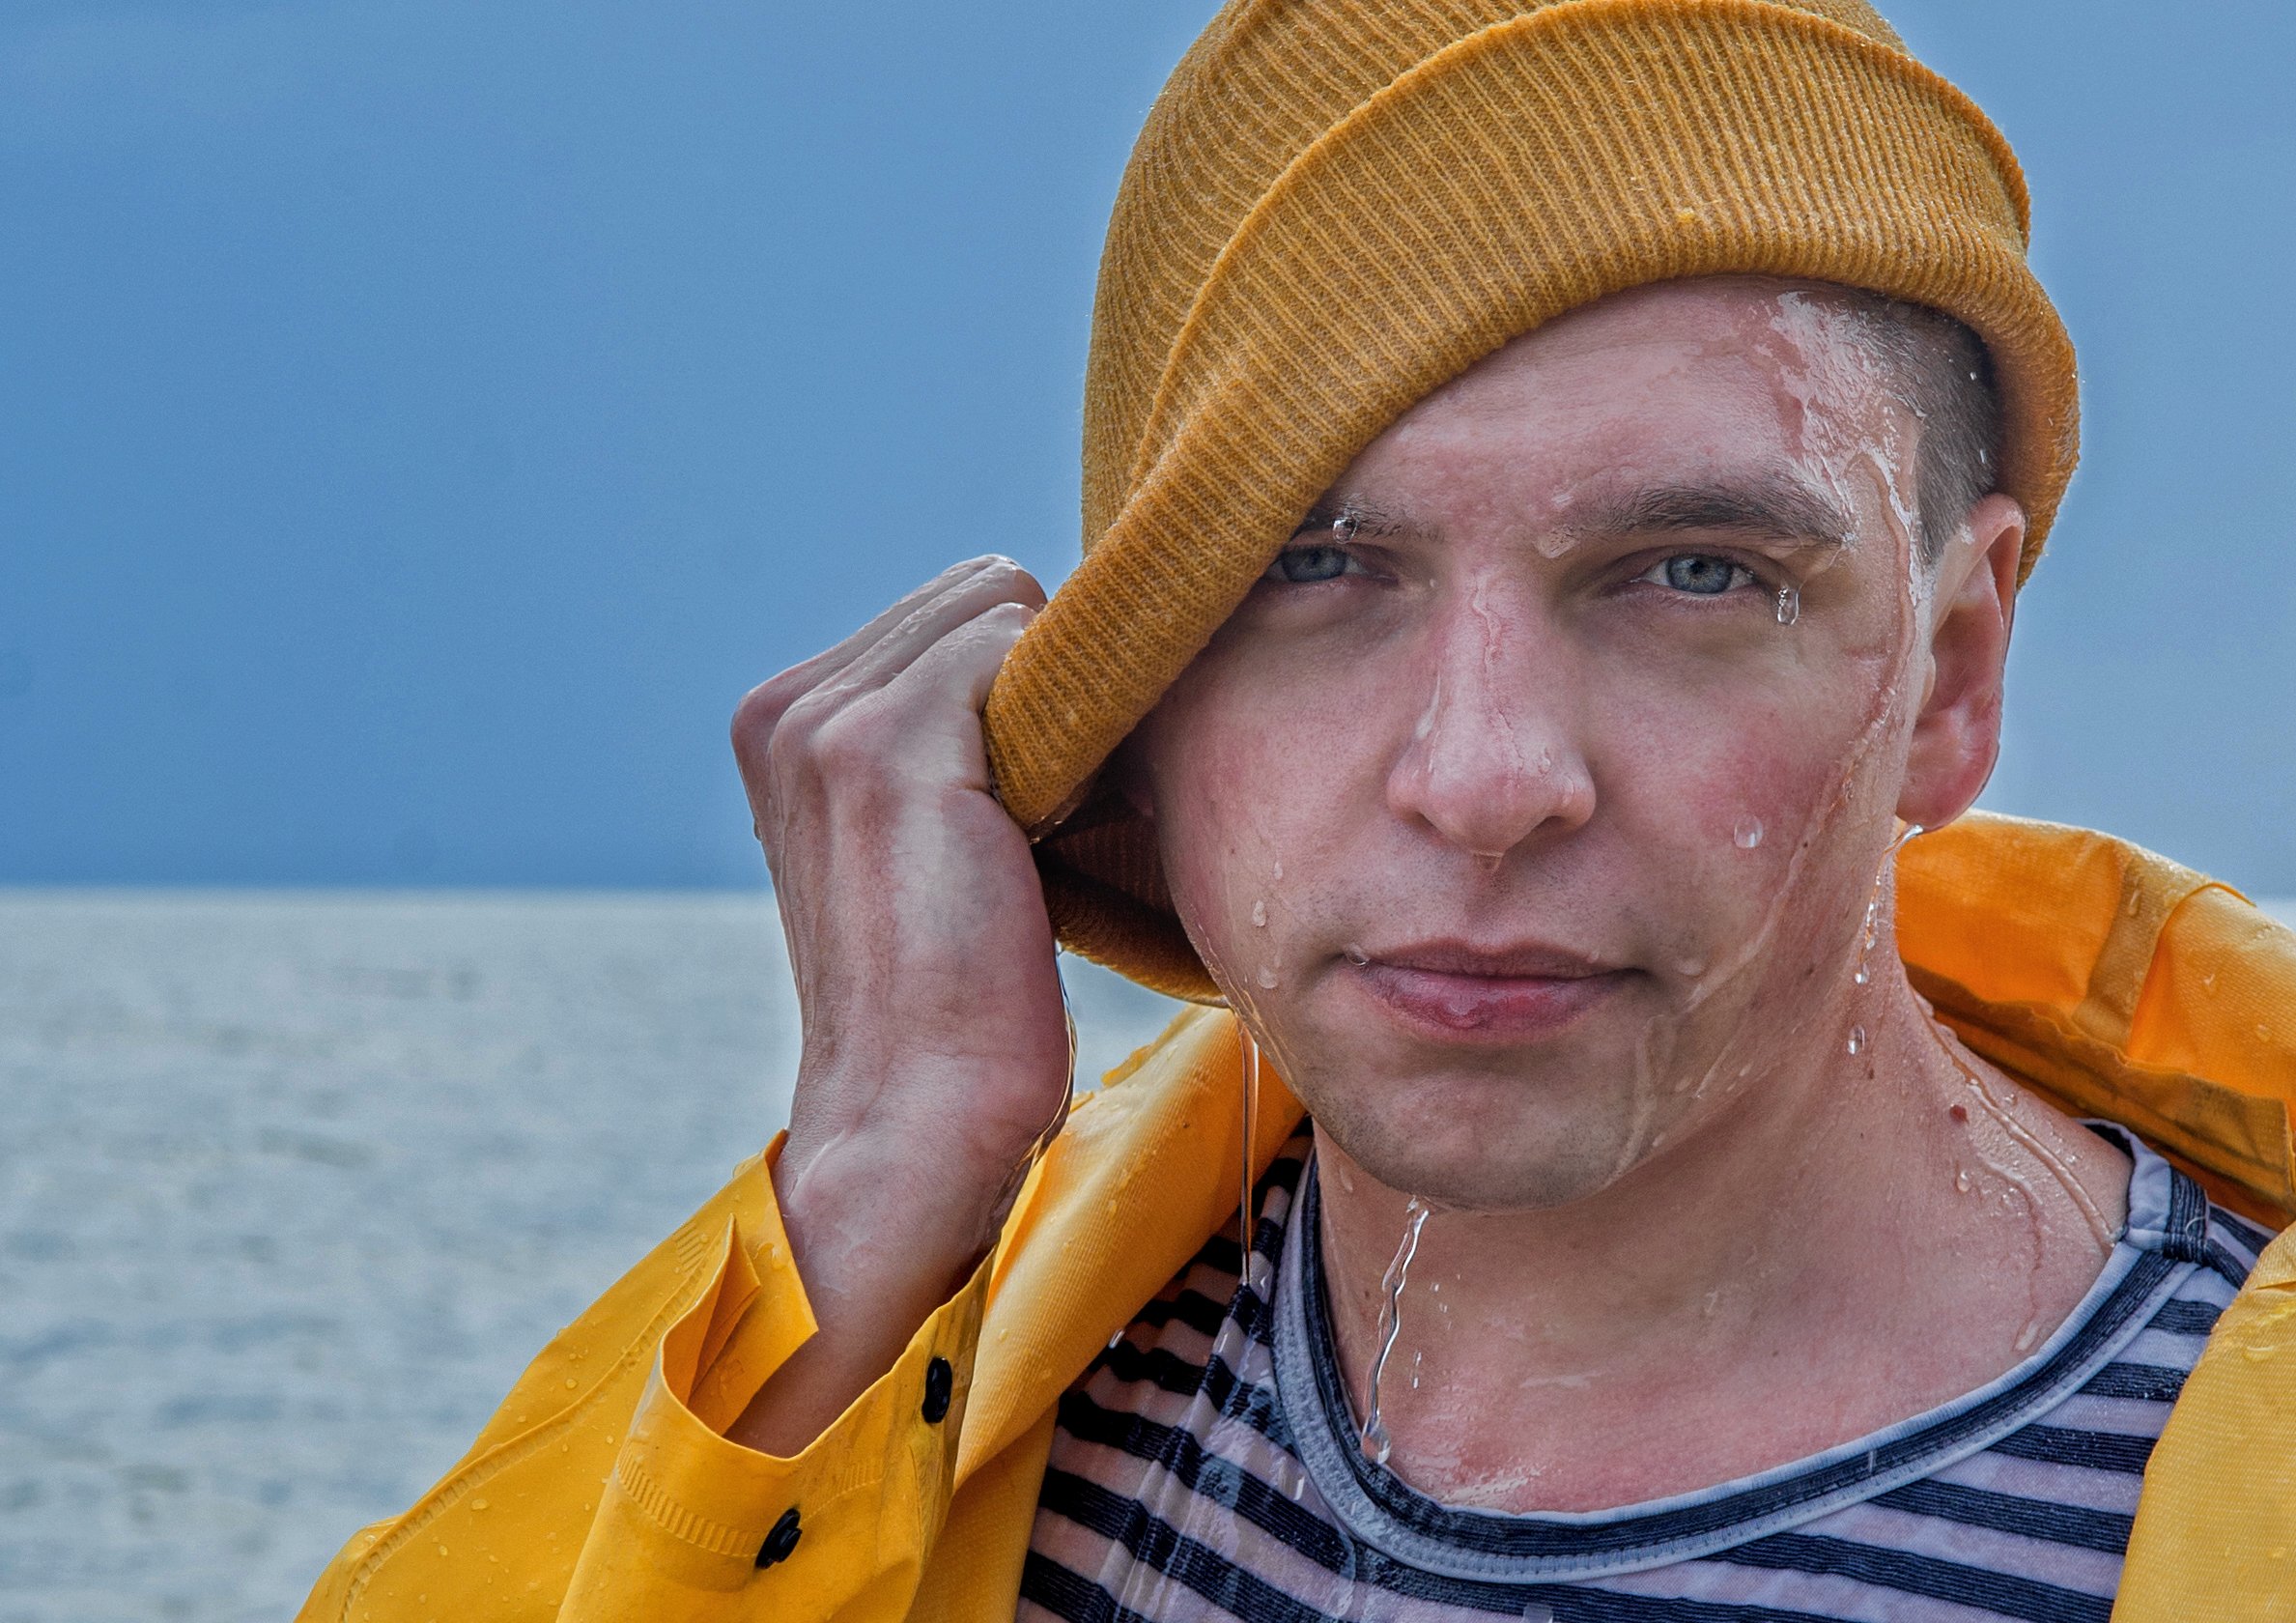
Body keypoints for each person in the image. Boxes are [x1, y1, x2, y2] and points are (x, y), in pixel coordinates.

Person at [298, 2, 2296, 1619]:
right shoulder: (921, 1372)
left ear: (1949, 670)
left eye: (1696, 574)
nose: (1486, 778)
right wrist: (860, 1214)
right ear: (1145, 696)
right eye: (1310, 570)